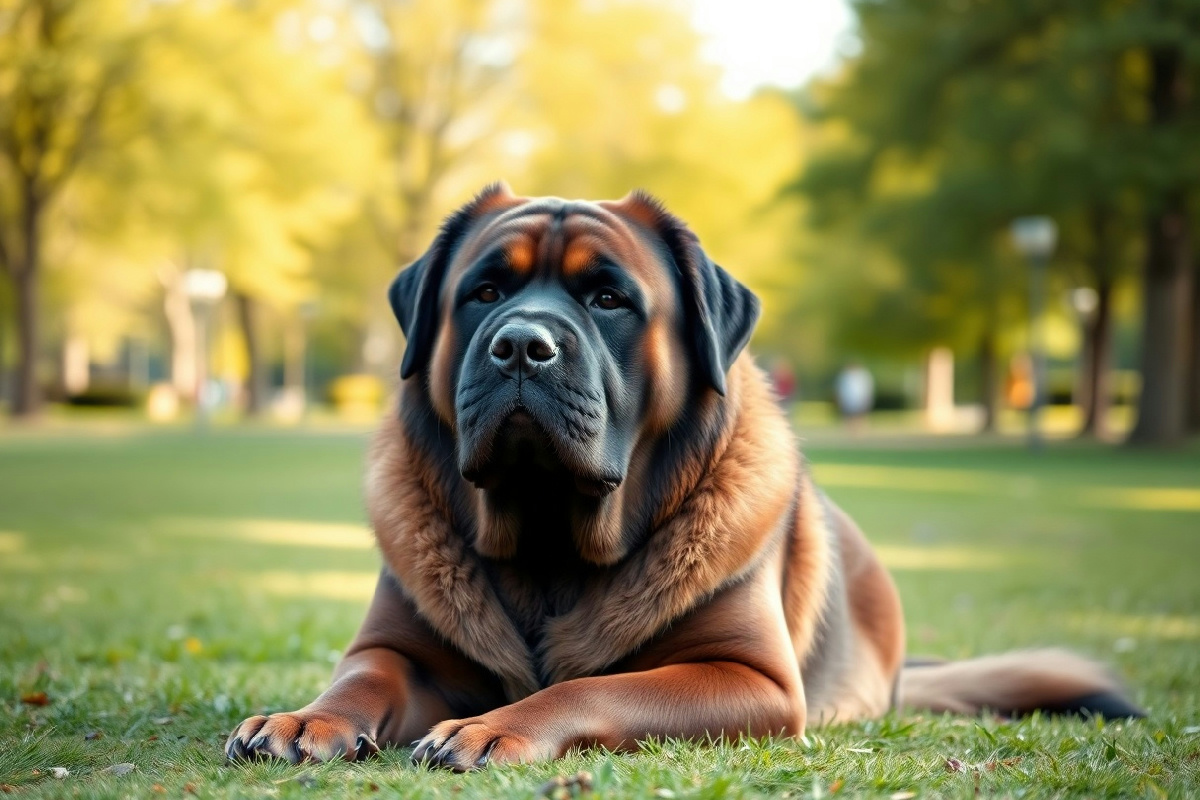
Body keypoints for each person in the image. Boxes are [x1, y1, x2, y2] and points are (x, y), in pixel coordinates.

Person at [835, 362, 874, 432]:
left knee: (860, 416)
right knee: (849, 417)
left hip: (860, 399)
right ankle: (851, 432)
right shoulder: (845, 376)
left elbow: (867, 388)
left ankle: (860, 432)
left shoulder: (863, 375)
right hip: (848, 400)